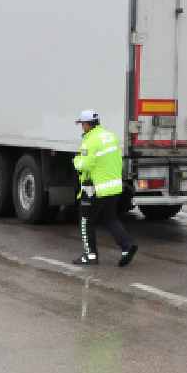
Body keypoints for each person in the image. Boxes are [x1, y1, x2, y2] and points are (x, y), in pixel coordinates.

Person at [70, 110, 137, 267]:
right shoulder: (110, 136)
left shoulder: (90, 141)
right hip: (113, 187)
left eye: (82, 124)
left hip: (95, 188)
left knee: (86, 220)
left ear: (88, 124)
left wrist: (76, 161)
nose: (82, 127)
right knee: (110, 218)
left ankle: (90, 255)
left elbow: (85, 164)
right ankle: (127, 246)